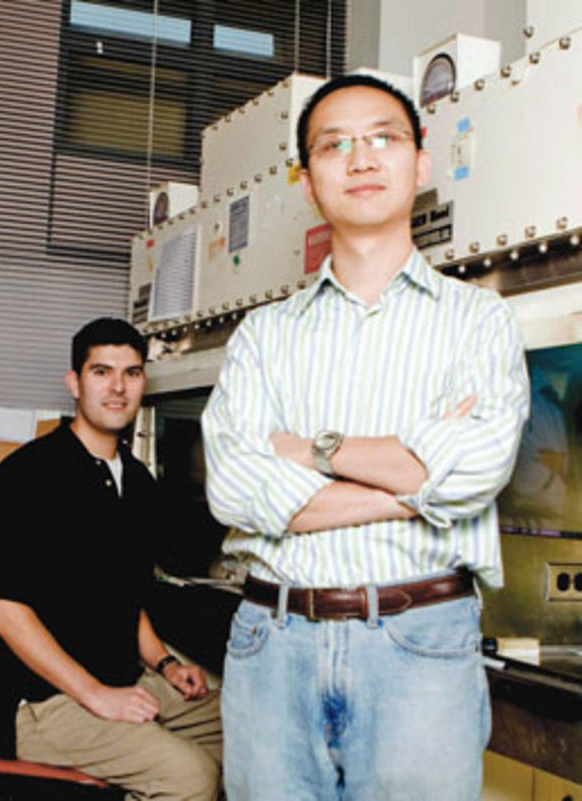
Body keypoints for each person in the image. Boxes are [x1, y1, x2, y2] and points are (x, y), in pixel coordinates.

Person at [202, 74, 530, 801]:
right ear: (307, 182)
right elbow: (233, 487)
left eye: (384, 137)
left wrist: (311, 453)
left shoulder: (478, 322)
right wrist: (413, 487)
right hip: (271, 642)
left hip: (420, 644)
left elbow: (473, 470)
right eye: (334, 144)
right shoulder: (264, 335)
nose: (361, 158)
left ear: (421, 163)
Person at [0, 317, 223, 801]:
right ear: (74, 382)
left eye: (131, 373)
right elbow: (2, 609)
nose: (117, 387)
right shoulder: (27, 477)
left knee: (250, 739)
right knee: (189, 777)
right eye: (101, 372)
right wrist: (96, 695)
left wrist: (167, 664)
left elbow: (123, 598)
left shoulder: (135, 481)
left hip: (122, 680)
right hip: (41, 704)